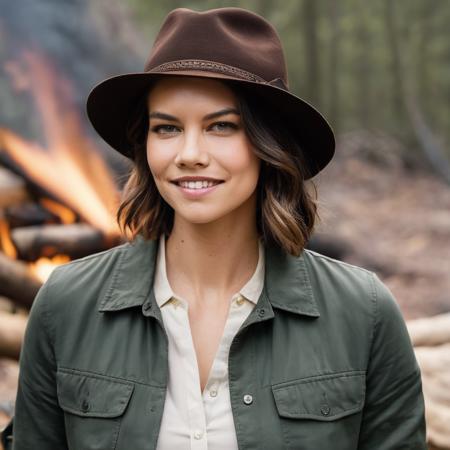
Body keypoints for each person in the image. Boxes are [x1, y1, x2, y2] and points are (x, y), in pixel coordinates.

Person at [10, 7, 426, 450]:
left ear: (270, 144)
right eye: (167, 128)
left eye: (221, 126)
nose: (189, 153)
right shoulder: (66, 306)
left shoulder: (363, 314)